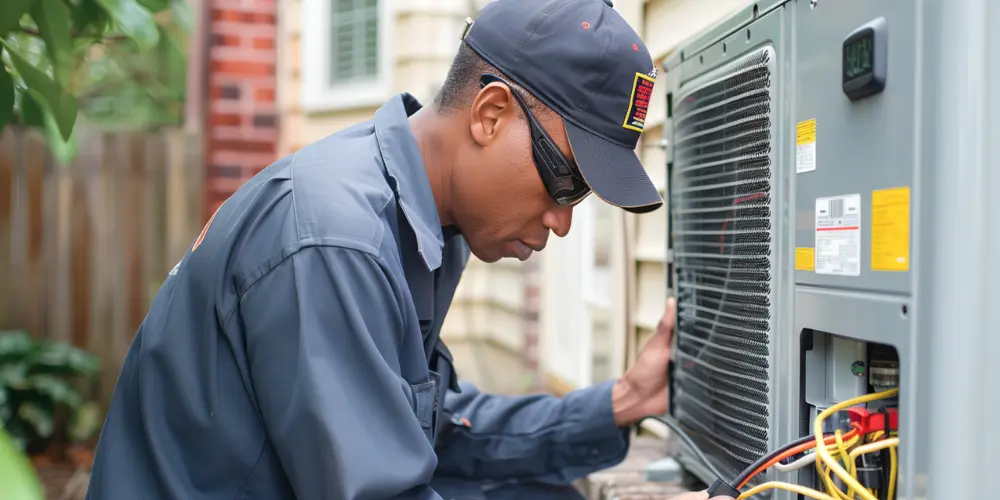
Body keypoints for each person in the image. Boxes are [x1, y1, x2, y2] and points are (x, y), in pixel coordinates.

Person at [85, 0, 733, 499]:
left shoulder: (417, 222)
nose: (563, 222)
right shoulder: (337, 239)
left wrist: (621, 403)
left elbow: (433, 430)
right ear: (490, 114)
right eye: (567, 180)